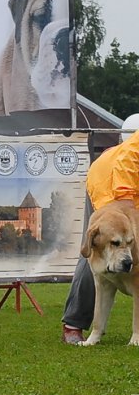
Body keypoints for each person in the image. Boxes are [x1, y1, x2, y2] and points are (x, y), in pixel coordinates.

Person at [61, 130, 139, 344]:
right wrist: (130, 213)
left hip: (130, 192)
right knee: (96, 250)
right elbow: (127, 161)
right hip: (111, 187)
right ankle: (73, 324)